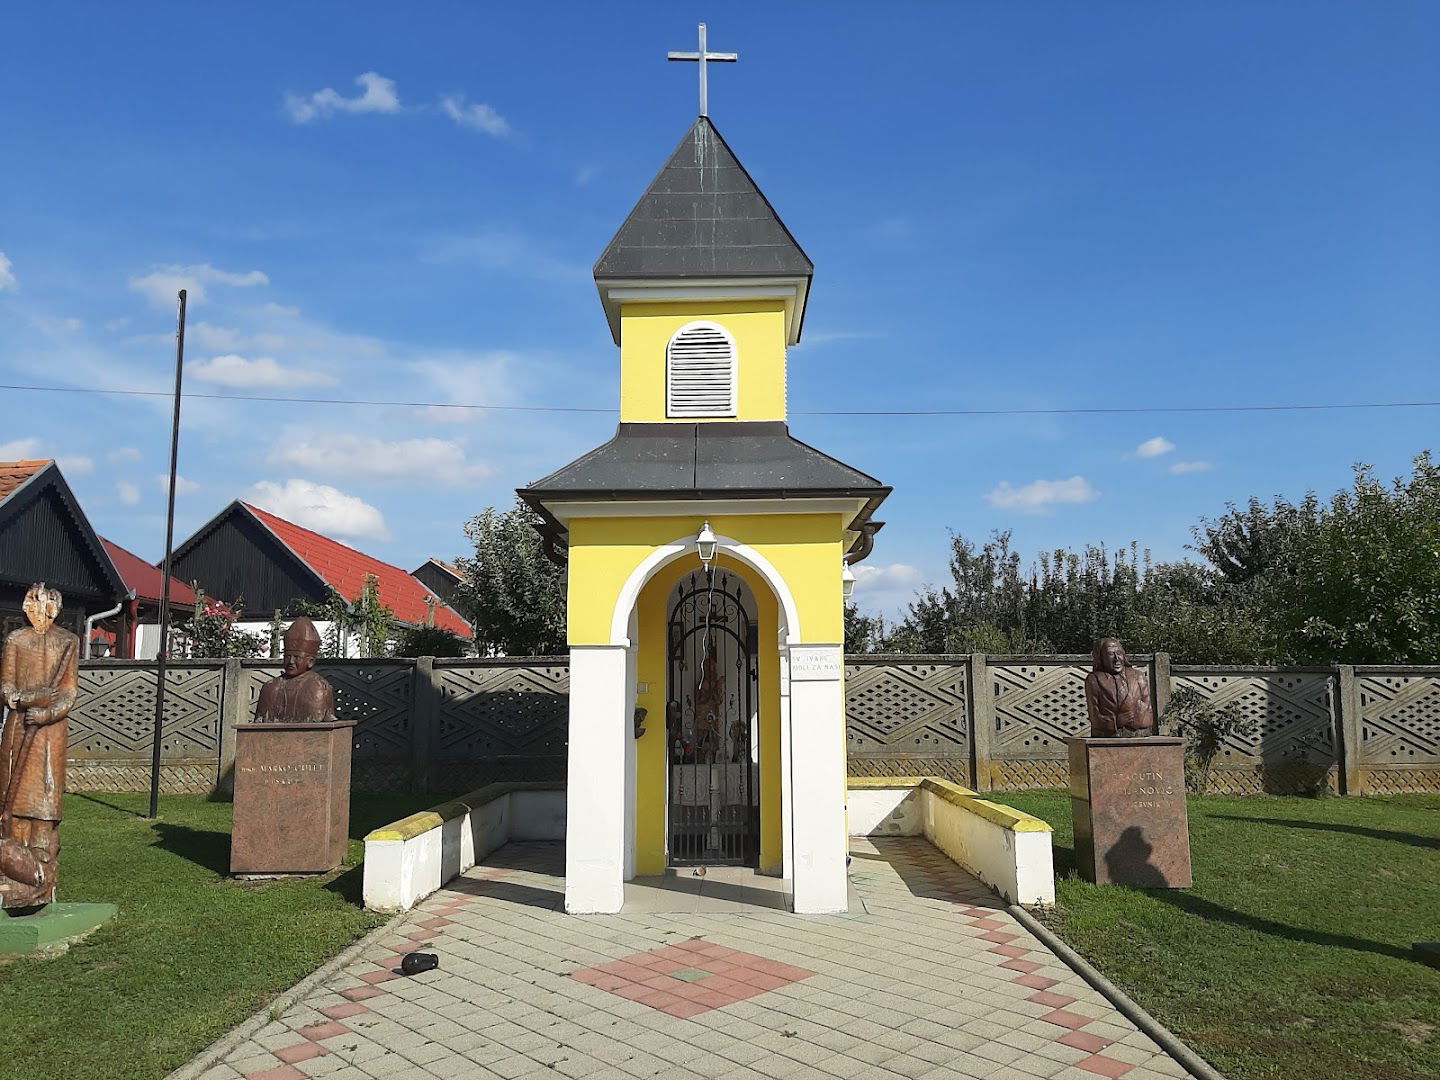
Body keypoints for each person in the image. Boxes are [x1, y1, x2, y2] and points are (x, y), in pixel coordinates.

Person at [0, 583, 78, 908]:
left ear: (54, 607)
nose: (32, 607)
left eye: (39, 601)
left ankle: (42, 881)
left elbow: (69, 692)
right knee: (12, 806)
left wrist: (46, 713)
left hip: (48, 736)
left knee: (43, 810)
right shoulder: (16, 640)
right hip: (18, 729)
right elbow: (6, 684)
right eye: (29, 601)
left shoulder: (67, 643)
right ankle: (12, 882)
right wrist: (19, 699)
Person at [254, 617, 335, 723]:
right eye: (287, 656)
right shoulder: (270, 687)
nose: (291, 661)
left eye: (297, 657)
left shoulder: (319, 687)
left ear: (310, 662)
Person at [1084, 637, 1155, 738]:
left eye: (1119, 653)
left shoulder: (1138, 676)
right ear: (1101, 657)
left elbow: (1148, 710)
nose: (1116, 659)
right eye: (1110, 654)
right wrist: (1116, 722)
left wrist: (1135, 719)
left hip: (1139, 735)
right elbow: (1094, 717)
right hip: (1109, 737)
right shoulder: (1094, 679)